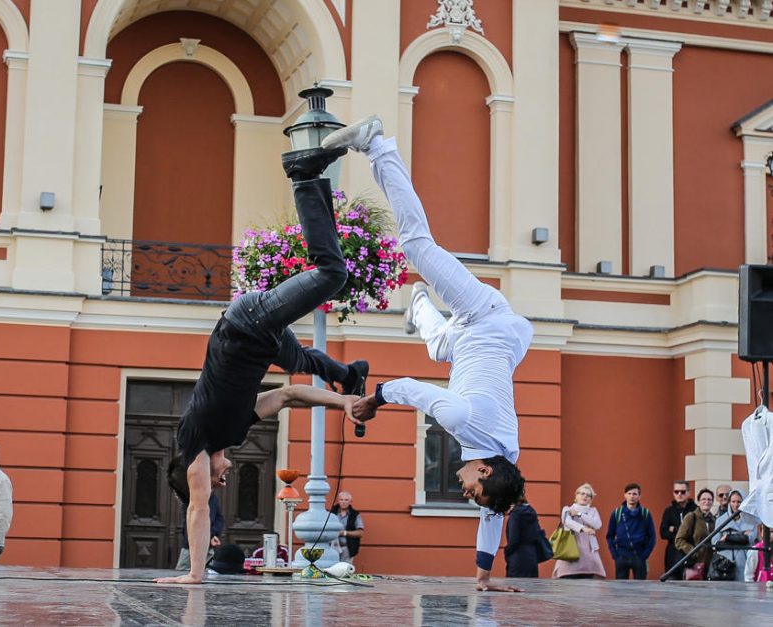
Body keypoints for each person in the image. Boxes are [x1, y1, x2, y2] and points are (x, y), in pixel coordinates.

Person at [326, 115, 534, 592]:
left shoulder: (506, 457)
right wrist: (372, 401)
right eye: (472, 490)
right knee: (417, 246)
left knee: (441, 346)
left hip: (478, 344)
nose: (465, 492)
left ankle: (419, 305)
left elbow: (494, 514)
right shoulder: (463, 419)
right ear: (483, 470)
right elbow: (411, 390)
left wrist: (484, 577)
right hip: (485, 316)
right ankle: (377, 143)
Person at [156, 145, 371, 585]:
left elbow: (196, 508)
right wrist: (341, 402)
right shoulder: (234, 428)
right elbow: (290, 395)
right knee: (300, 362)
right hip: (263, 340)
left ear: (194, 471)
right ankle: (349, 374)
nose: (222, 478)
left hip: (248, 323)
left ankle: (303, 177)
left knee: (333, 273)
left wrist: (194, 574)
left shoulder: (194, 437)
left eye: (214, 480)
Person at [552, 483, 606, 579]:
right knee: (567, 582)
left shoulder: (593, 511)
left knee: (586, 584)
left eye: (588, 495)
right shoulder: (567, 509)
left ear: (591, 499)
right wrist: (584, 528)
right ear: (576, 496)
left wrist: (579, 514)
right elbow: (567, 522)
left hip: (588, 553)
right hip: (570, 551)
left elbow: (597, 525)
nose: (585, 496)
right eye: (582, 493)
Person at [605, 483, 656, 579]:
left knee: (641, 589)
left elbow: (652, 536)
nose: (632, 496)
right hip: (621, 556)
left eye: (635, 494)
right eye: (629, 494)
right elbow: (610, 536)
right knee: (621, 589)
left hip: (639, 556)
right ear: (625, 495)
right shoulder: (617, 513)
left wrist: (645, 555)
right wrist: (615, 555)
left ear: (639, 496)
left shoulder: (645, 513)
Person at [713, 490, 758, 581]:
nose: (736, 505)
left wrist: (727, 537)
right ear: (729, 502)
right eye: (733, 501)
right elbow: (715, 543)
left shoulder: (752, 519)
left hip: (745, 562)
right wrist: (741, 538)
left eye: (739, 502)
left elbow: (751, 539)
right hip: (725, 565)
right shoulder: (720, 520)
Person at [175, 493, 224, 571]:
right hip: (191, 545)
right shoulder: (192, 496)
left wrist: (213, 534)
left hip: (207, 545)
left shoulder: (213, 498)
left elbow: (219, 518)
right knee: (183, 570)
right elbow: (194, 522)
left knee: (204, 573)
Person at [675, 488, 716, 579]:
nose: (707, 502)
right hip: (694, 563)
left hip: (710, 565)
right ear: (698, 502)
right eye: (704, 499)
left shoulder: (714, 520)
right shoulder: (691, 517)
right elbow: (679, 540)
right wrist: (693, 551)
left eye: (709, 499)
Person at [659, 480, 696, 579]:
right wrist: (683, 533)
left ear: (688, 493)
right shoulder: (669, 511)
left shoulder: (695, 510)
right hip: (672, 554)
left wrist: (674, 529)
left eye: (683, 492)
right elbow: (663, 533)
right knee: (672, 583)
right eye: (676, 492)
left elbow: (695, 532)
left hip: (690, 554)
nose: (679, 494)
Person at [504, 500, 543, 578]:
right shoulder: (532, 512)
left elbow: (513, 540)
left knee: (515, 586)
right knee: (532, 588)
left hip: (517, 558)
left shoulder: (515, 515)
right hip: (532, 557)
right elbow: (538, 534)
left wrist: (506, 552)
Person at [330, 491, 364, 563]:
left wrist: (344, 533)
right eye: (341, 500)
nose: (343, 502)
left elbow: (360, 533)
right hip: (331, 548)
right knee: (331, 570)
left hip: (347, 548)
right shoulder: (331, 513)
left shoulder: (355, 514)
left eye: (346, 500)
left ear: (350, 502)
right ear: (338, 501)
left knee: (345, 571)